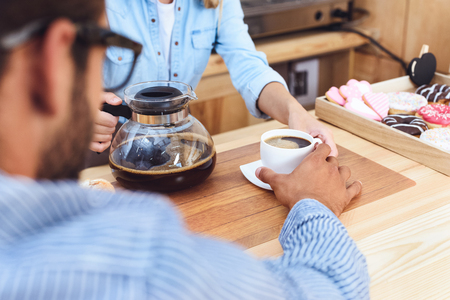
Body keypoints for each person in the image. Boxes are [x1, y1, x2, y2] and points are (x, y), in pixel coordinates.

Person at [0, 0, 369, 299]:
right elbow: (327, 288)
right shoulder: (147, 265)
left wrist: (293, 112)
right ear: (49, 66)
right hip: (105, 146)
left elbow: (245, 60)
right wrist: (316, 205)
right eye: (108, 52)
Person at [89, 0, 338, 159]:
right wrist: (77, 112)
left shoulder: (217, 3)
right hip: (102, 145)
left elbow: (248, 66)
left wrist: (295, 112)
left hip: (174, 146)